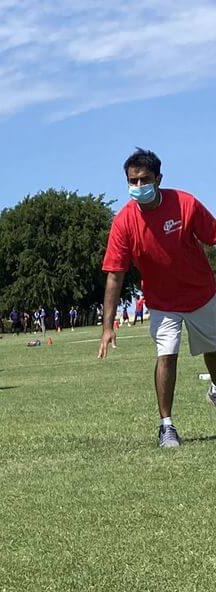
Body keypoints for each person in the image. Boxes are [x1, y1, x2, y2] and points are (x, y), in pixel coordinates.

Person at [99, 147, 216, 448]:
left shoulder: (185, 203)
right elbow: (115, 273)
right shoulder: (124, 222)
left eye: (144, 180)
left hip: (201, 294)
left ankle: (215, 388)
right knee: (167, 355)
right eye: (132, 181)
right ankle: (167, 426)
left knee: (213, 351)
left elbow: (213, 235)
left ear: (159, 178)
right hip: (162, 303)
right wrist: (107, 326)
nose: (138, 187)